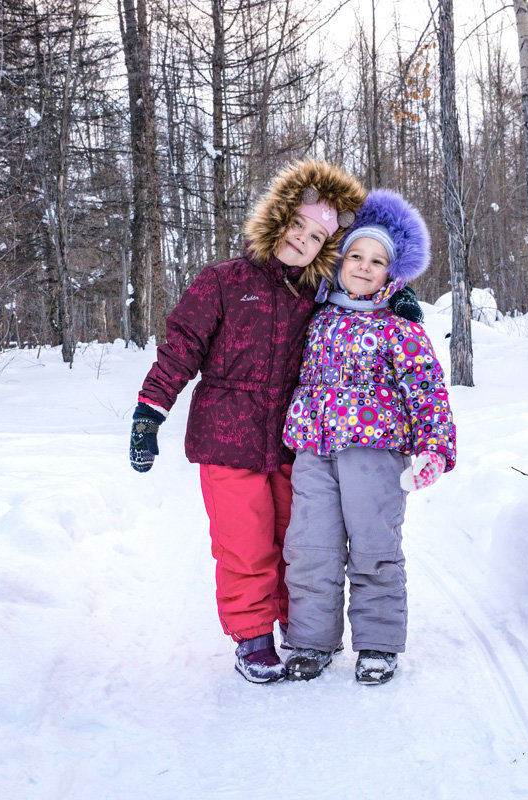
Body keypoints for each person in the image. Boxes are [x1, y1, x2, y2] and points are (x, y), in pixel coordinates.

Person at [127, 159, 367, 683]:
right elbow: (180, 349)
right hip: (226, 438)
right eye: (298, 225)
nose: (304, 240)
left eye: (318, 235)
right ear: (278, 219)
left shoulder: (315, 295)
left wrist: (400, 301)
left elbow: (366, 296)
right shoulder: (223, 281)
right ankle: (252, 637)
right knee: (244, 545)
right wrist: (150, 413)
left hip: (287, 440)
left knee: (292, 542)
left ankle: (292, 626)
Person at [280, 189, 456, 685]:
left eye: (376, 261)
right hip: (315, 451)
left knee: (375, 547)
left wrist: (434, 449)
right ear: (338, 261)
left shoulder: (400, 327)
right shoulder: (316, 317)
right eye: (355, 255)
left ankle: (377, 643)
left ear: (390, 273)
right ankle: (312, 641)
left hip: (375, 455)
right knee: (311, 547)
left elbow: (427, 390)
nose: (363, 266)